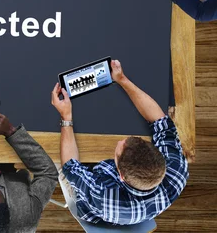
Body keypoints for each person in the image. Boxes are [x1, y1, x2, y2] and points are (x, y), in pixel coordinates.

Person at [50, 60, 188, 225]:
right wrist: (122, 79)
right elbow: (161, 122)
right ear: (158, 156)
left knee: (56, 161)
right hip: (135, 210)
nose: (121, 141)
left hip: (95, 205)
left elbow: (70, 166)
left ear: (120, 175)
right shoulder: (177, 169)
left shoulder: (102, 195)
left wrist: (66, 116)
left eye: (119, 150)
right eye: (129, 140)